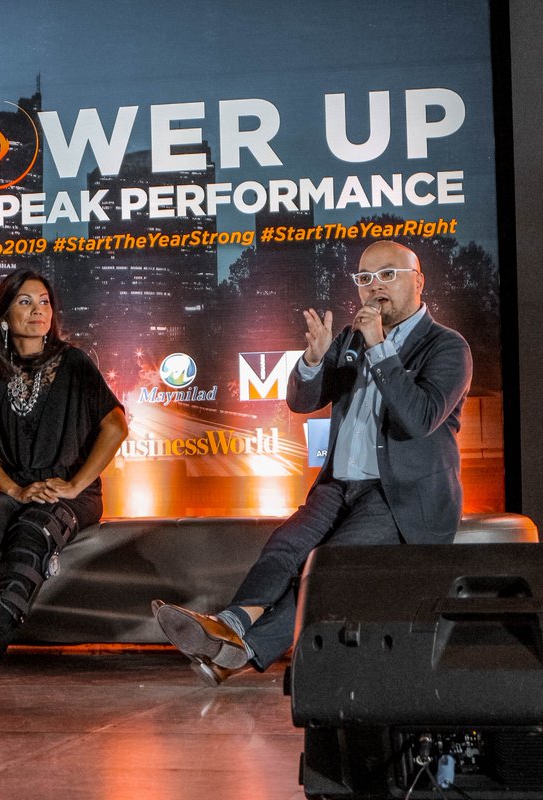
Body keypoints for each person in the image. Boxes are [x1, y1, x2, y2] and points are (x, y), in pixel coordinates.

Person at [153, 240, 472, 686]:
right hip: (338, 487)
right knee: (285, 546)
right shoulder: (351, 338)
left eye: (387, 275)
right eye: (364, 278)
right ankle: (232, 627)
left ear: (418, 281)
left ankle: (235, 649)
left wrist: (380, 348)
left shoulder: (446, 347)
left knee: (327, 566)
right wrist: (313, 360)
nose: (374, 287)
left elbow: (418, 419)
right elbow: (302, 401)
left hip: (401, 497)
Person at [0, 269, 128, 675]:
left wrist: (74, 485)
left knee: (34, 526)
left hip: (71, 492)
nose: (38, 310)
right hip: (17, 486)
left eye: (45, 301)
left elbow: (116, 424)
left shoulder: (74, 363)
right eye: (26, 301)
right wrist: (14, 490)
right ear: (4, 314)